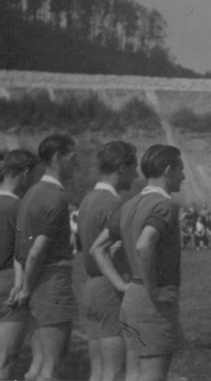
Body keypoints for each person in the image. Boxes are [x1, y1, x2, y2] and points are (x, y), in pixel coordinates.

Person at [90, 144, 185, 381]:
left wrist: (122, 286)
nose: (183, 176)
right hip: (151, 299)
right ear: (169, 170)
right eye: (181, 169)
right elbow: (144, 244)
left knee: (134, 375)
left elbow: (97, 248)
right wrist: (155, 291)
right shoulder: (165, 205)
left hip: (132, 297)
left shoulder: (129, 205)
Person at [13, 134, 79, 381]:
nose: (77, 163)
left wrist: (25, 287)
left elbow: (23, 250)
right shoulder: (55, 196)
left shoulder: (31, 193)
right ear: (58, 158)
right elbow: (36, 250)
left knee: (38, 366)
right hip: (51, 284)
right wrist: (26, 289)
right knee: (53, 366)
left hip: (38, 285)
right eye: (73, 157)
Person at [78, 141, 138, 381]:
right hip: (109, 289)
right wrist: (123, 286)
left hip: (91, 287)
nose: (137, 173)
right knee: (114, 374)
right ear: (121, 167)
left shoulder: (88, 199)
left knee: (98, 372)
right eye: (134, 166)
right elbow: (107, 252)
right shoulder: (114, 204)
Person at [0, 149, 39, 380]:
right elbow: (26, 253)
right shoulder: (21, 208)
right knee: (5, 360)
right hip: (9, 288)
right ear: (25, 174)